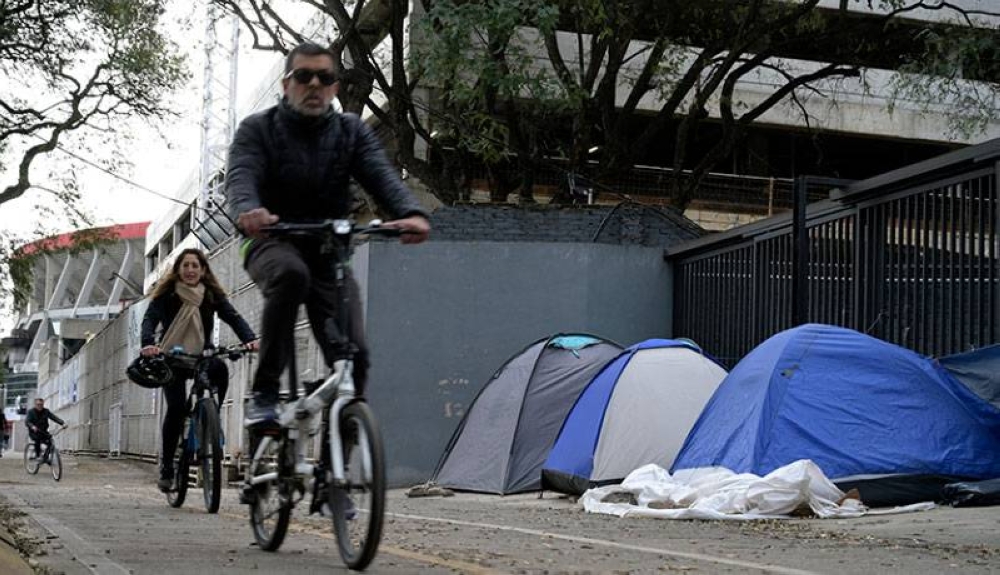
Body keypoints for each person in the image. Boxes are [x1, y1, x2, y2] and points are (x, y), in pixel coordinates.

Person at [226, 41, 431, 426]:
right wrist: (248, 210)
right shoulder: (258, 130)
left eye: (326, 77)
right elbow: (241, 175)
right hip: (270, 240)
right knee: (290, 275)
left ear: (336, 86)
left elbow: (380, 173)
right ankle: (265, 392)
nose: (315, 85)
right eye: (304, 76)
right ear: (287, 84)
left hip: (328, 252)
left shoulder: (350, 132)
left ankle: (339, 465)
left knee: (355, 357)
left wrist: (410, 212)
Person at [140, 248, 259, 491]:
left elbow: (233, 317)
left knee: (220, 370)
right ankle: (167, 468)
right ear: (178, 270)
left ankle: (206, 421)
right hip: (172, 357)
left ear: (203, 270)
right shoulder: (167, 295)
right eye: (186, 265)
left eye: (195, 265)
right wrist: (149, 344)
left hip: (202, 354)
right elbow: (149, 321)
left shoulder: (211, 294)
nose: (191, 270)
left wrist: (249, 339)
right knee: (175, 408)